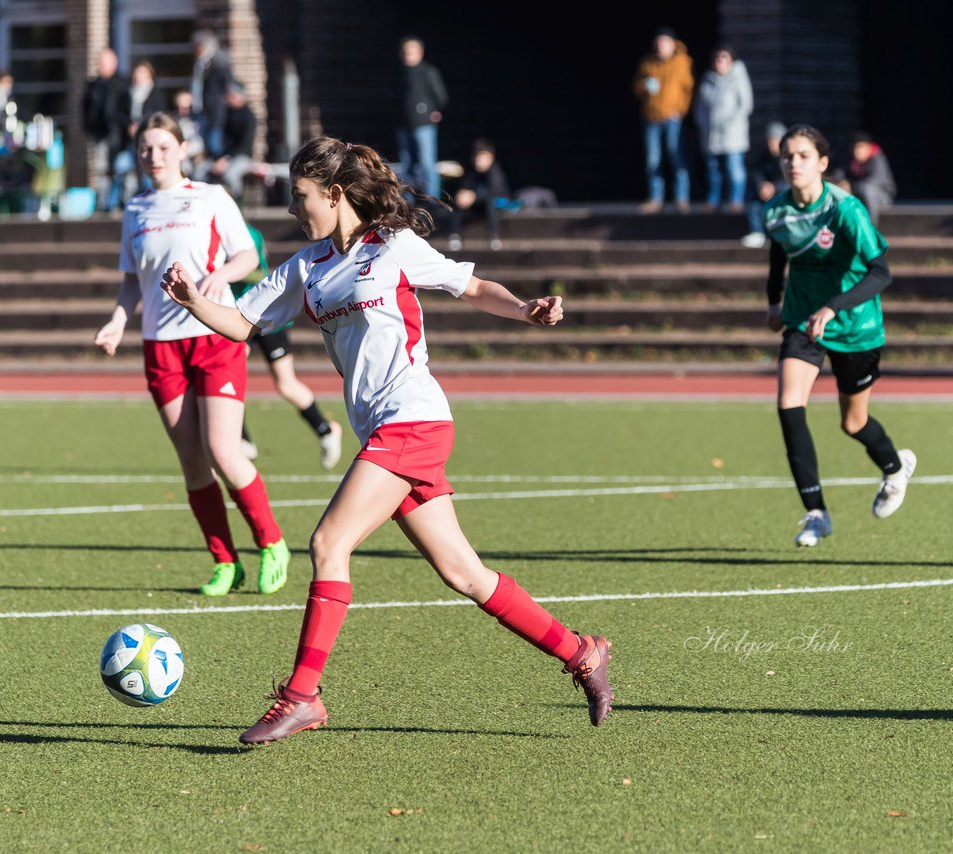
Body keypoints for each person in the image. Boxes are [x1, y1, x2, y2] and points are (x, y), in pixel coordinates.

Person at [158, 136, 614, 745]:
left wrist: (525, 307)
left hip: (414, 418)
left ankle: (301, 697)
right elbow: (242, 323)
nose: (295, 209)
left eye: (302, 197)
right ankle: (582, 652)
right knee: (464, 573)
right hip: (384, 430)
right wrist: (192, 301)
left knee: (328, 542)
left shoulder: (394, 248)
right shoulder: (307, 266)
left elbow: (470, 286)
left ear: (336, 194)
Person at [94, 112, 290, 597]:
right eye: (145, 148)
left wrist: (220, 276)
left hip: (214, 336)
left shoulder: (210, 197)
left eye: (163, 147)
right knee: (192, 463)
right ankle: (226, 562)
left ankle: (272, 544)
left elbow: (249, 256)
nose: (153, 156)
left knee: (224, 450)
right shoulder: (135, 209)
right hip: (161, 347)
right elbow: (130, 282)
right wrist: (118, 320)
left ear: (182, 150)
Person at [763, 124, 916, 548]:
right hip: (803, 320)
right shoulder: (776, 210)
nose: (794, 163)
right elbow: (780, 254)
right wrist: (774, 301)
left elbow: (881, 272)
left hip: (855, 327)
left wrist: (834, 306)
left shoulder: (846, 210)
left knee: (854, 422)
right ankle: (816, 513)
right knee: (789, 406)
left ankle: (894, 468)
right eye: (787, 156)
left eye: (804, 156)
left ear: (823, 163)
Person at [234, 223, 343, 469]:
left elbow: (254, 271)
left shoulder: (247, 233)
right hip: (235, 316)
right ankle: (242, 440)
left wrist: (221, 272)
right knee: (229, 375)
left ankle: (325, 430)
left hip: (264, 311)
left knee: (286, 383)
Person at [633, 27, 693, 213]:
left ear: (672, 44)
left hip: (672, 118)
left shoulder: (682, 62)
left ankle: (681, 198)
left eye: (664, 42)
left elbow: (688, 89)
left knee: (676, 156)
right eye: (658, 43)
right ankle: (655, 198)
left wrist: (680, 111)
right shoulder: (647, 63)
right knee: (653, 159)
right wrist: (644, 86)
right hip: (651, 117)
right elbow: (636, 88)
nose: (660, 46)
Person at [695, 44, 753, 213]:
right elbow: (700, 107)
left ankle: (736, 200)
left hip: (732, 134)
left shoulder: (738, 78)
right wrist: (702, 124)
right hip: (711, 134)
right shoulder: (707, 79)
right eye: (717, 58)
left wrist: (731, 123)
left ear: (731, 60)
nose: (719, 62)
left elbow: (746, 105)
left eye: (724, 58)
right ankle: (714, 200)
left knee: (734, 169)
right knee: (713, 171)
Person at [395, 35, 448, 200]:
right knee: (407, 164)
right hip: (404, 124)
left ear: (420, 52)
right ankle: (408, 199)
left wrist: (433, 111)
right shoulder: (400, 72)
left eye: (411, 51)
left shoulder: (428, 72)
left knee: (427, 162)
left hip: (423, 124)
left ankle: (432, 199)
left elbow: (441, 96)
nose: (407, 55)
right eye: (405, 51)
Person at [82, 48, 131, 210]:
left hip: (120, 137)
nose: (100, 66)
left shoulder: (122, 84)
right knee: (102, 170)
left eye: (104, 63)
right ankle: (104, 203)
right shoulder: (94, 85)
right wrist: (89, 129)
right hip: (100, 135)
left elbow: (125, 110)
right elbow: (86, 109)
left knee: (120, 170)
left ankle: (120, 201)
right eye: (99, 63)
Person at [447, 138, 511, 251]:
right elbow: (464, 190)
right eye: (477, 157)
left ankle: (493, 236)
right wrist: (462, 196)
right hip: (476, 206)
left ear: (490, 158)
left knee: (490, 203)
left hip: (497, 204)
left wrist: (474, 196)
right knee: (457, 202)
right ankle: (455, 235)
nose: (479, 161)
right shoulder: (470, 172)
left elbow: (495, 193)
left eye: (482, 157)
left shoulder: (495, 171)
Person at [192, 29, 240, 162]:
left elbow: (229, 84)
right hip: (205, 111)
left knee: (215, 145)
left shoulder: (219, 61)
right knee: (206, 145)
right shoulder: (202, 64)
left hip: (216, 113)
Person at [123, 61, 168, 197]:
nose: (138, 76)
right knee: (124, 167)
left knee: (147, 169)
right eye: (137, 72)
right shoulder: (127, 94)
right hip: (130, 141)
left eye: (142, 72)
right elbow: (120, 114)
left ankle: (151, 195)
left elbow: (158, 115)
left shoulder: (156, 94)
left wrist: (142, 126)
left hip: (149, 140)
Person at [206, 85, 256, 202]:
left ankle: (237, 204)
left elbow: (245, 145)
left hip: (242, 156)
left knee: (230, 175)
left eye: (230, 96)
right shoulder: (228, 113)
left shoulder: (248, 117)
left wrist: (226, 159)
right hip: (226, 157)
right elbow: (225, 142)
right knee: (203, 171)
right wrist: (220, 158)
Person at [741, 121, 787, 248]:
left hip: (783, 193)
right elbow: (757, 174)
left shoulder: (788, 158)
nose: (771, 144)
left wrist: (775, 187)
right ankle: (757, 232)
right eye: (769, 141)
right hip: (765, 193)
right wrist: (762, 186)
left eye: (774, 140)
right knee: (751, 197)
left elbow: (790, 180)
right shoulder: (763, 157)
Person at [848, 132, 896, 227]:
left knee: (867, 189)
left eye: (861, 147)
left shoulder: (877, 159)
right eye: (856, 147)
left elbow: (873, 182)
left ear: (869, 148)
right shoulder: (852, 161)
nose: (858, 151)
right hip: (861, 196)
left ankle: (871, 228)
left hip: (882, 197)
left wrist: (852, 186)